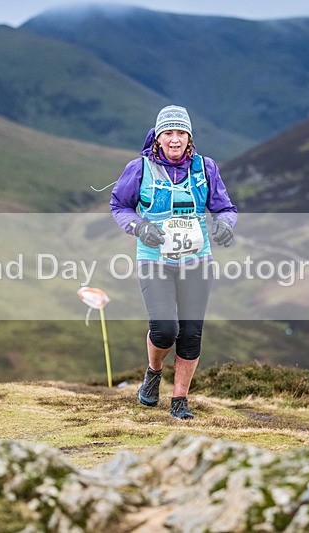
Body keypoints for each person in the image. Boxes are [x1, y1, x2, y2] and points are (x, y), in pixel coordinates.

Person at [110, 105, 237, 419]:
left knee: (191, 333)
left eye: (181, 133)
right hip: (155, 260)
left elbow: (226, 208)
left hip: (198, 260)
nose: (175, 139)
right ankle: (154, 373)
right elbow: (118, 205)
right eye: (169, 132)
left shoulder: (206, 168)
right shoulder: (139, 169)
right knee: (166, 329)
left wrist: (225, 225)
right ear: (158, 136)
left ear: (190, 136)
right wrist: (140, 226)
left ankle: (179, 402)